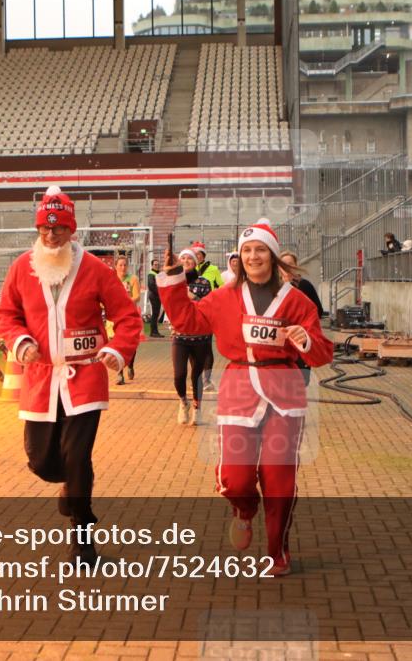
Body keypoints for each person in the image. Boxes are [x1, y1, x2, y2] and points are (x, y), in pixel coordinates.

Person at [157, 218, 334, 577]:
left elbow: (322, 353)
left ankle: (276, 550)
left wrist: (305, 340)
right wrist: (174, 279)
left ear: (272, 255)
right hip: (239, 388)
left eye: (260, 250)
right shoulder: (224, 298)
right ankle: (243, 509)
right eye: (247, 250)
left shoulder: (296, 301)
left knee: (279, 477)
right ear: (239, 256)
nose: (254, 256)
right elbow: (188, 322)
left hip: (285, 391)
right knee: (234, 479)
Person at [0, 186, 142, 563]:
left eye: (59, 230)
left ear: (71, 231)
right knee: (41, 461)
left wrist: (115, 350)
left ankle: (82, 536)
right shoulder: (22, 268)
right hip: (42, 379)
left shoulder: (95, 269)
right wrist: (20, 341)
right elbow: (7, 315)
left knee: (77, 458)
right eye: (45, 228)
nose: (51, 236)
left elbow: (127, 317)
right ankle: (71, 494)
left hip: (85, 378)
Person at [170, 248, 213, 426]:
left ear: (196, 262)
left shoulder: (203, 282)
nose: (186, 260)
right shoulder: (174, 282)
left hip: (200, 337)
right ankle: (183, 402)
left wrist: (191, 295)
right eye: (183, 258)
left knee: (196, 376)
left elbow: (207, 305)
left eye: (190, 258)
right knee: (179, 375)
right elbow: (168, 302)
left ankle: (197, 408)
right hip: (180, 336)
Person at [279, 250, 324, 387]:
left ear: (296, 265)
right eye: (283, 264)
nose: (287, 267)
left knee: (301, 382)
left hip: (299, 340)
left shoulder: (304, 285)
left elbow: (318, 311)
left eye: (290, 264)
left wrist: (304, 326)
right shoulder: (273, 287)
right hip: (280, 341)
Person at [190, 241, 222, 391]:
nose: (196, 256)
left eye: (198, 254)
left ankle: (207, 380)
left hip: (208, 311)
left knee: (207, 347)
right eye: (194, 254)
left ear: (203, 255)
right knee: (190, 348)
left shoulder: (213, 269)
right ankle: (195, 379)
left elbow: (221, 287)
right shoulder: (188, 269)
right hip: (191, 313)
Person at [114, 255, 142, 384]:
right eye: (120, 265)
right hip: (115, 316)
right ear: (116, 266)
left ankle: (130, 364)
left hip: (130, 315)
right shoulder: (112, 279)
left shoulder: (133, 279)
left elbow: (137, 297)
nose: (123, 267)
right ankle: (119, 373)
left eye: (125, 265)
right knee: (116, 345)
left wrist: (125, 302)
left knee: (131, 345)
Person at [146, 258, 164, 338]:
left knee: (155, 314)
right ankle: (154, 332)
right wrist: (160, 293)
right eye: (155, 265)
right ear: (152, 265)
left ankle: (154, 331)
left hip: (155, 295)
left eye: (158, 264)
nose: (157, 266)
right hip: (154, 296)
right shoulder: (151, 274)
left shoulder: (156, 273)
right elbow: (152, 286)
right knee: (155, 314)